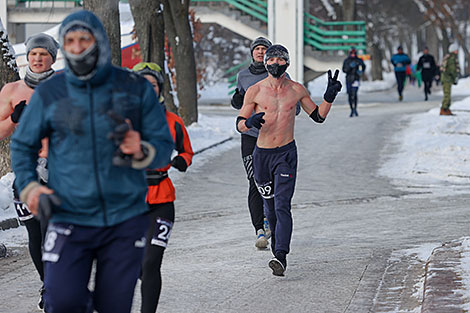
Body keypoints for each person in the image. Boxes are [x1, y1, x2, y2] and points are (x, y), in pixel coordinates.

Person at [10, 10, 174, 313]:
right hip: (69, 212)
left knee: (113, 305)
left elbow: (164, 145)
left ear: (98, 40)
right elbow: (22, 146)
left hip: (123, 216)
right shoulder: (51, 92)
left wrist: (141, 149)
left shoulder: (133, 87)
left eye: (83, 39)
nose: (76, 46)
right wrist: (30, 186)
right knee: (61, 301)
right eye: (69, 40)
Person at [236, 45, 341, 276]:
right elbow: (240, 123)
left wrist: (329, 97)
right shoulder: (255, 90)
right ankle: (276, 246)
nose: (275, 63)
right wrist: (250, 123)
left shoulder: (296, 90)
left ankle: (280, 255)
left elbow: (318, 116)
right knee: (270, 209)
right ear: (266, 64)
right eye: (271, 59)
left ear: (287, 63)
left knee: (282, 205)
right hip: (261, 156)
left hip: (286, 154)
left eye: (279, 59)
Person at [0, 32, 58, 311]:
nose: (37, 58)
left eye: (43, 54)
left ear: (52, 58)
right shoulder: (11, 91)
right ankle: (49, 285)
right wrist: (14, 118)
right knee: (35, 235)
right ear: (27, 57)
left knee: (53, 232)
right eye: (33, 53)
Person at [132, 62, 194, 313]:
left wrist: (182, 160)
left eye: (153, 85)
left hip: (162, 201)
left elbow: (187, 151)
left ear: (160, 89)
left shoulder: (173, 121)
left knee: (151, 263)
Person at [232, 37, 301, 250]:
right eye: (258, 49)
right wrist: (239, 101)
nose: (261, 52)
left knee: (275, 189)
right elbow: (240, 105)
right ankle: (260, 228)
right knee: (254, 180)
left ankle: (272, 223)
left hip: (276, 139)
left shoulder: (282, 74)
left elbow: (294, 107)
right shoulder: (242, 75)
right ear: (252, 53)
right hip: (251, 136)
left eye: (265, 49)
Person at [342, 47, 365, 117]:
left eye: (354, 53)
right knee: (349, 95)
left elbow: (363, 66)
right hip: (348, 80)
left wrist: (360, 71)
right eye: (351, 53)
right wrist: (350, 67)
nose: (353, 54)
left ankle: (355, 108)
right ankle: (351, 109)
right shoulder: (346, 61)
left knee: (354, 94)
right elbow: (344, 70)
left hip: (356, 79)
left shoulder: (359, 60)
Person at [440, 43, 459, 116]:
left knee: (447, 94)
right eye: (456, 50)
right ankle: (444, 109)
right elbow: (452, 70)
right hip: (447, 79)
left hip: (446, 78)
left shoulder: (448, 57)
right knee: (447, 94)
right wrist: (455, 77)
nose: (457, 51)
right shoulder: (451, 58)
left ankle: (446, 108)